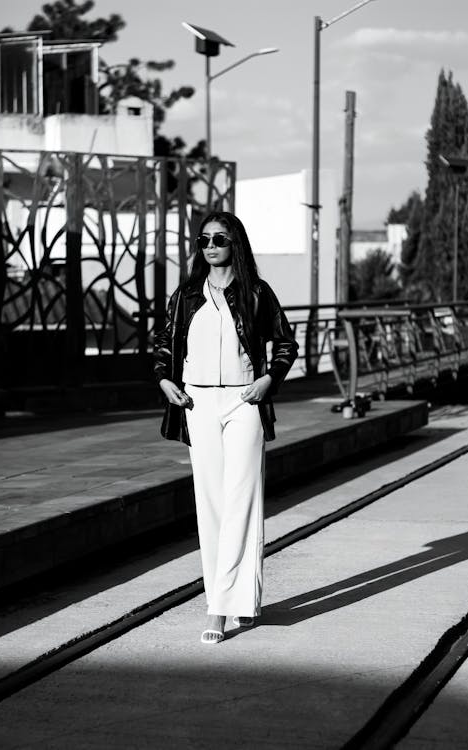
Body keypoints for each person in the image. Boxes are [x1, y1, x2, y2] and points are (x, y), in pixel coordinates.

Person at [153, 211, 298, 644]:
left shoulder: (256, 291)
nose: (211, 245)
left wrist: (268, 380)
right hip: (197, 402)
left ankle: (221, 607)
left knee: (242, 500)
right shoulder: (185, 296)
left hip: (243, 401)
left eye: (219, 238)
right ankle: (236, 601)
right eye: (204, 239)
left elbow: (286, 343)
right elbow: (164, 344)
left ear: (235, 242)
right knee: (211, 503)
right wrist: (165, 381)